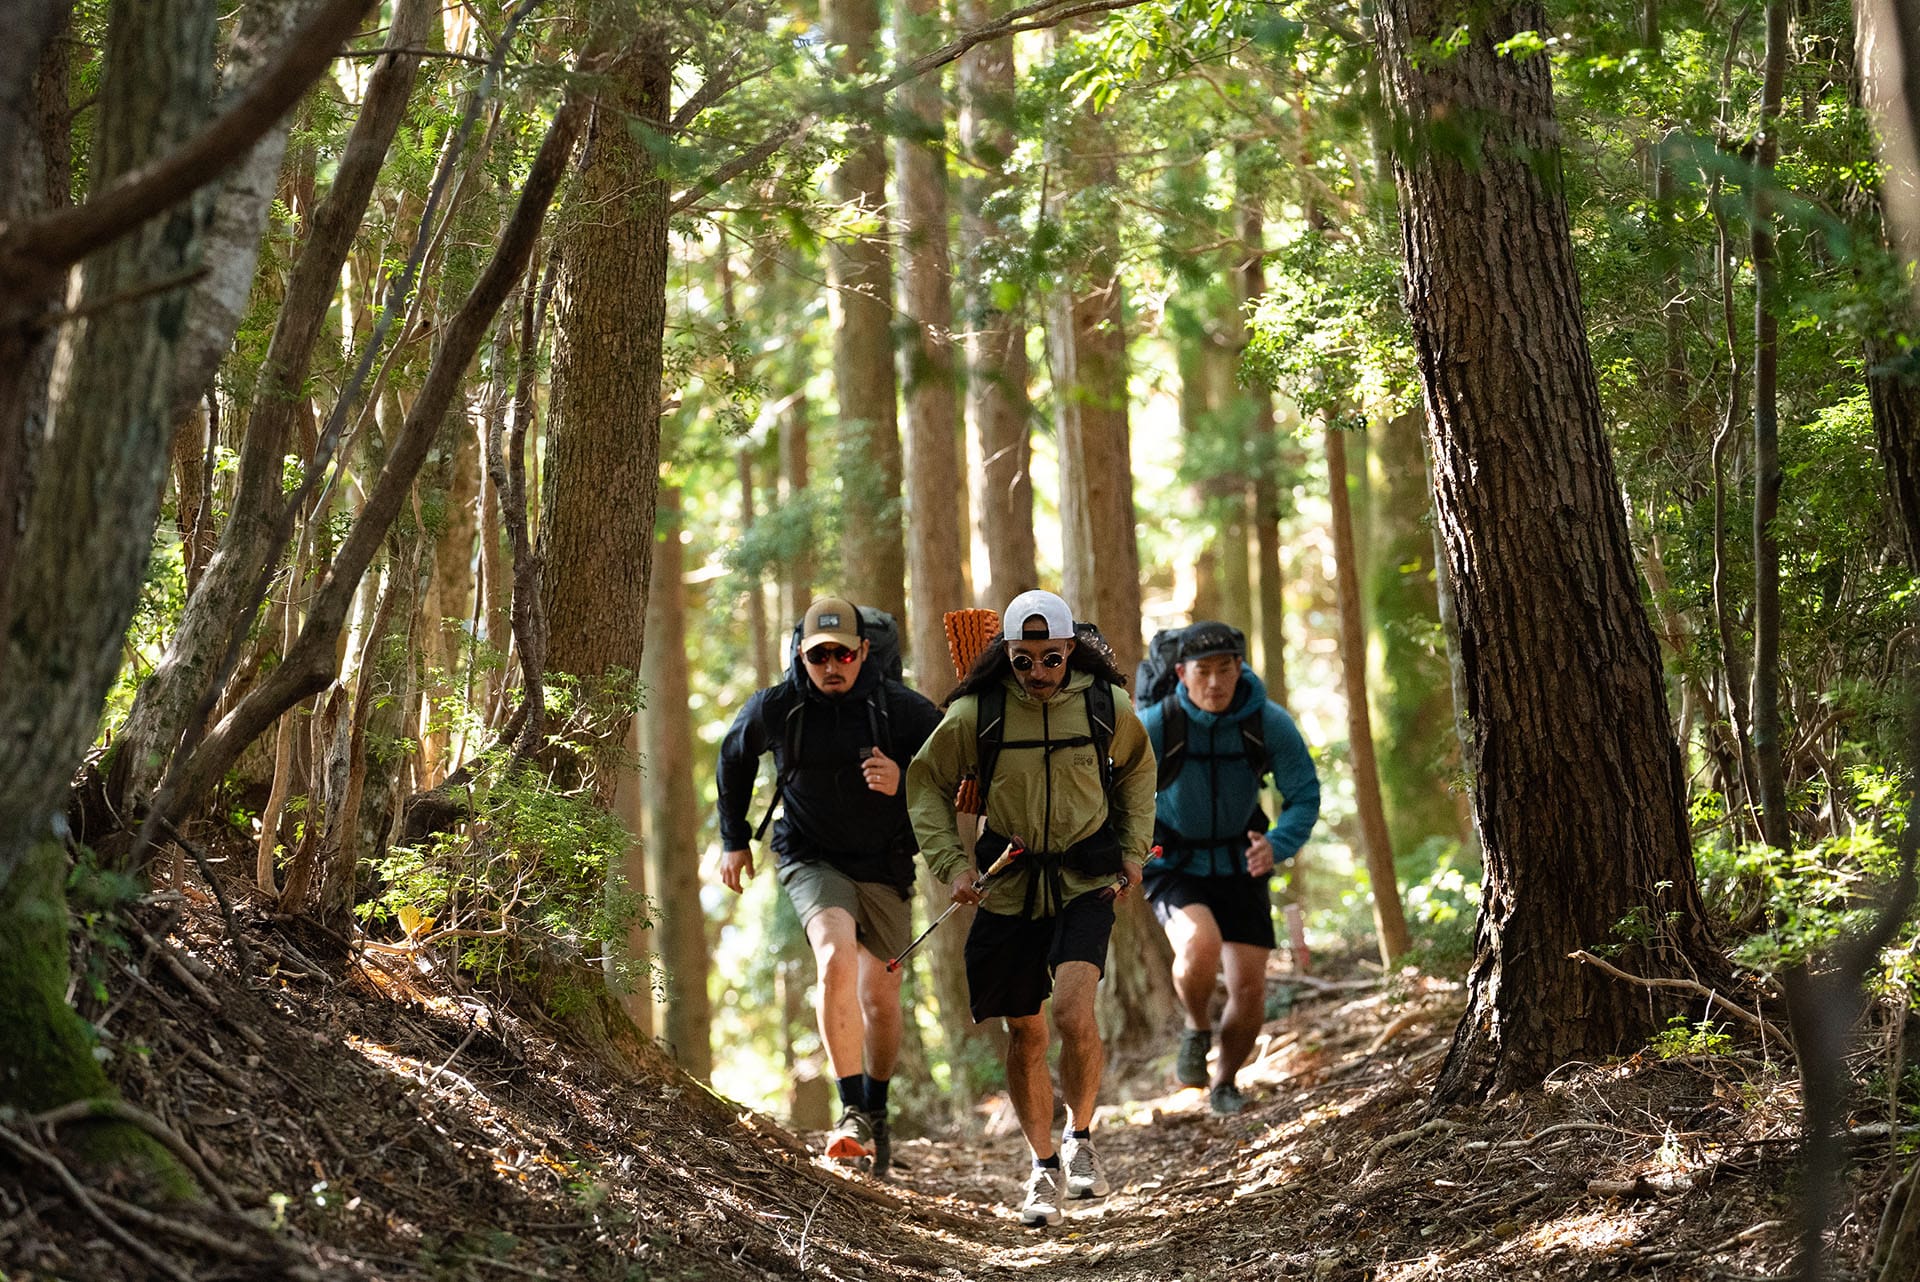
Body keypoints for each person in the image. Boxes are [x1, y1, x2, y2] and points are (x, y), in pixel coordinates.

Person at [905, 590, 1156, 1227]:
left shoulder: (1107, 706)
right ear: (1007, 656)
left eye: (1050, 658)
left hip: (1084, 878)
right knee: (1025, 1031)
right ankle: (1042, 1166)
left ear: (1070, 650)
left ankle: (1082, 1139)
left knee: (1074, 1011)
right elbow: (925, 781)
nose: (1038, 673)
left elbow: (1136, 770)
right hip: (1008, 883)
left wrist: (1131, 850)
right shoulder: (976, 713)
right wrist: (952, 865)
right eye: (1024, 660)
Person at [715, 597, 941, 1179]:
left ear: (865, 652)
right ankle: (850, 1114)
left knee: (880, 999)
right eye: (819, 656)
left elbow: (957, 772)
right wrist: (734, 839)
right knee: (834, 954)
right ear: (801, 654)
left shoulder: (902, 709)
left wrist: (905, 780)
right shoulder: (778, 706)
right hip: (810, 857)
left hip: (886, 862)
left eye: (843, 653)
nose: (832, 665)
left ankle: (878, 1108)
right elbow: (733, 759)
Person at [1139, 621, 1320, 1117]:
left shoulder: (1266, 722)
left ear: (1240, 668)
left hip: (1243, 860)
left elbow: (1303, 793)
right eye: (1203, 672)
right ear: (1182, 673)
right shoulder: (1159, 723)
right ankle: (1197, 1026)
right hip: (1174, 862)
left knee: (1249, 988)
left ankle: (1225, 1083)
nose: (1215, 683)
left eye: (1225, 669)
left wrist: (1278, 844)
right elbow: (1115, 789)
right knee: (1200, 942)